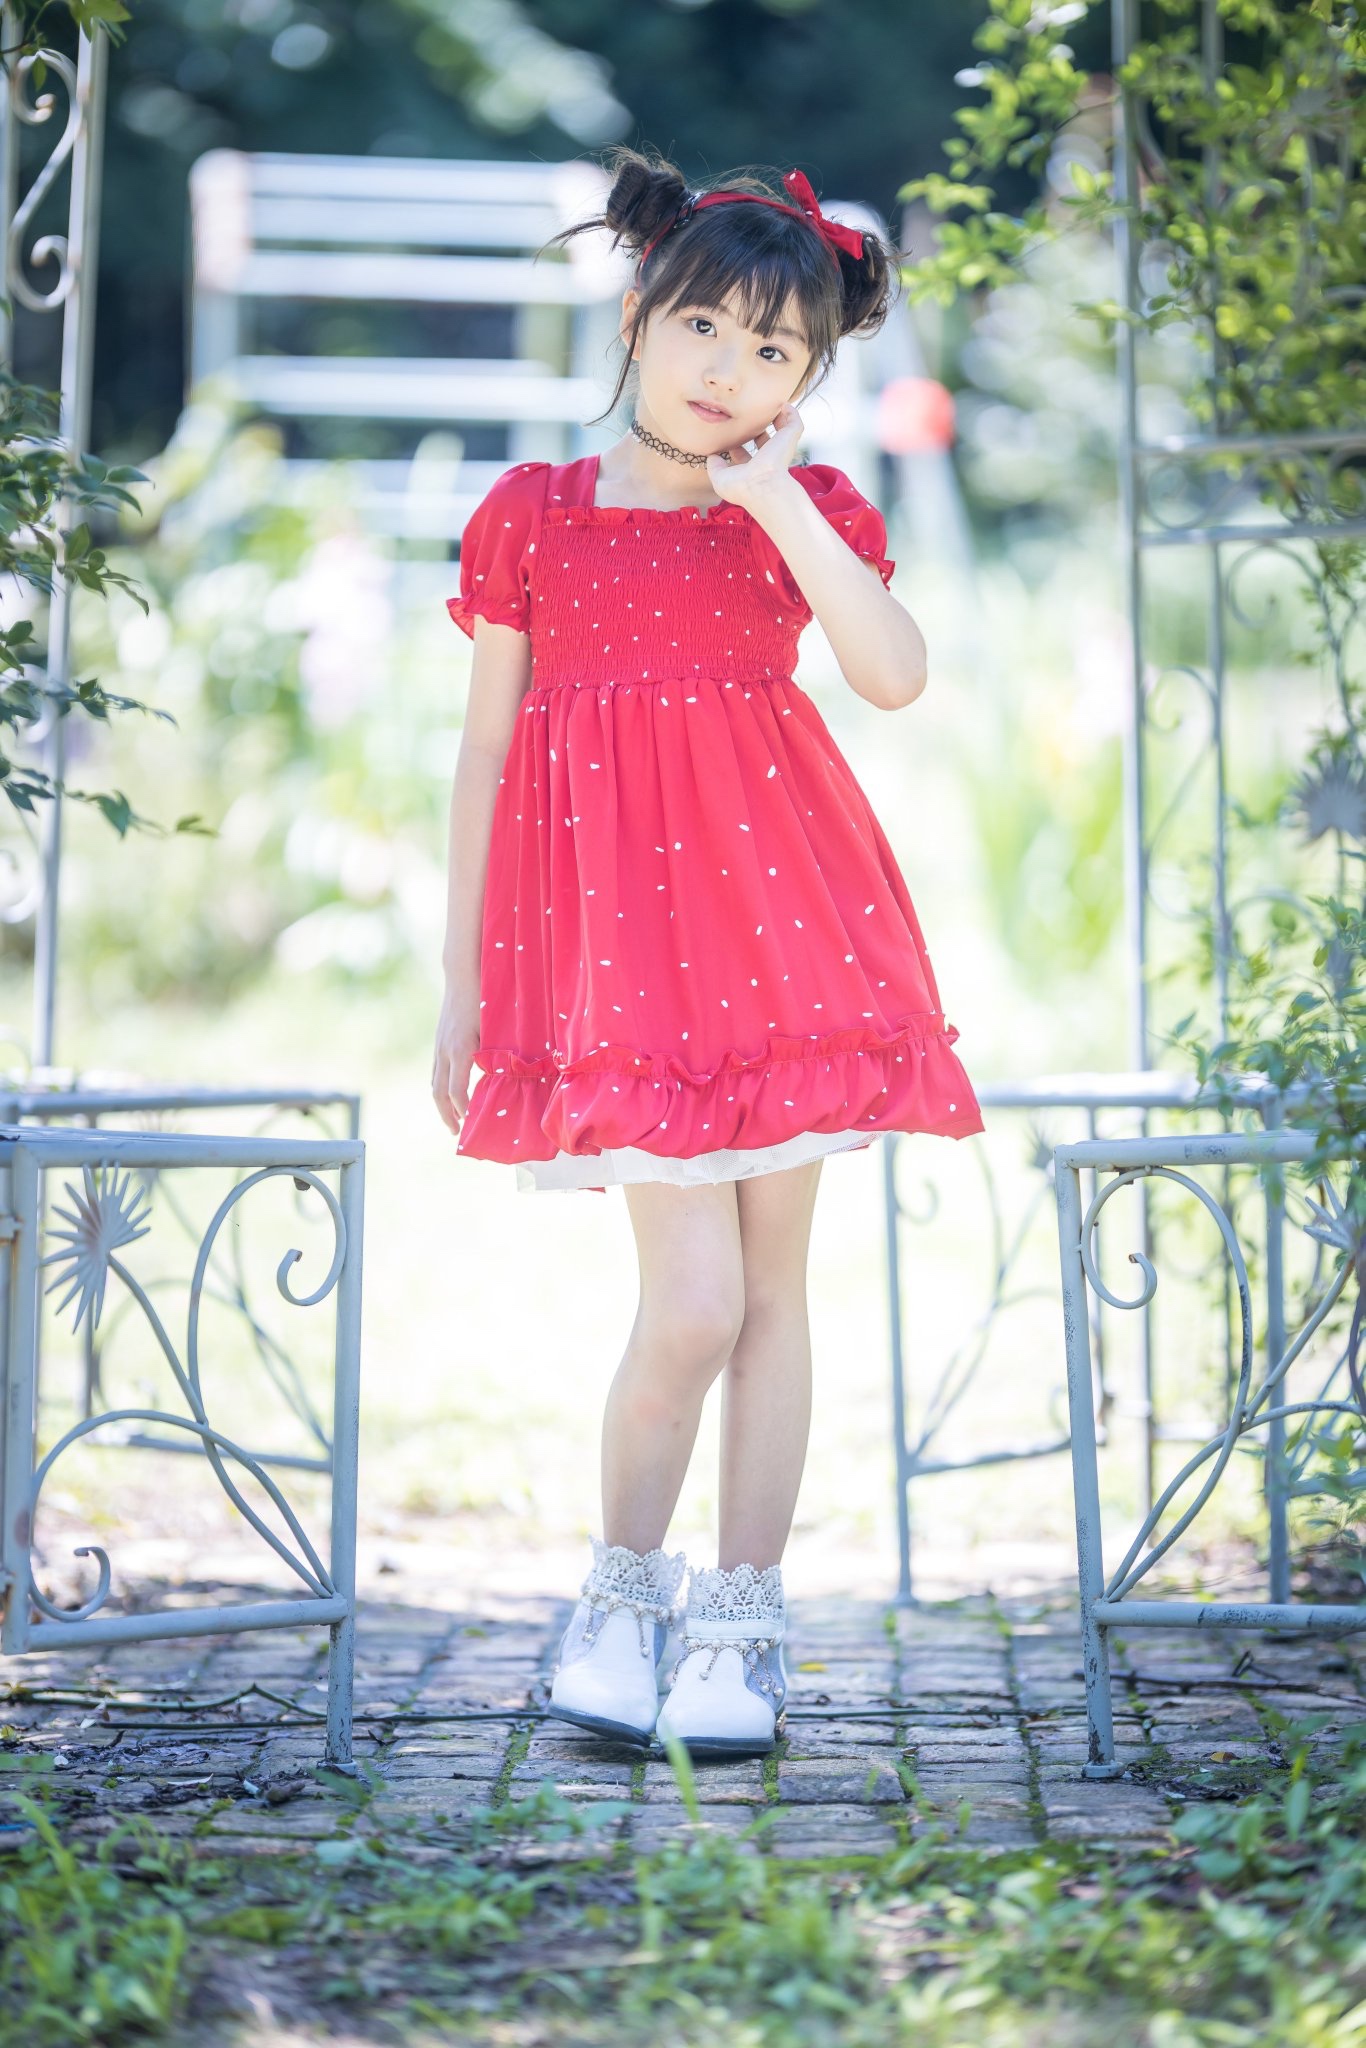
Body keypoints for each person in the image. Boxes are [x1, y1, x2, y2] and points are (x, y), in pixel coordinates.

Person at [432, 146, 985, 1758]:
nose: (725, 368)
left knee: (768, 1295)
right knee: (691, 1304)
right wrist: (463, 981)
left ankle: (739, 1629)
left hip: (784, 932)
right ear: (636, 315)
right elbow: (484, 755)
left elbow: (893, 674)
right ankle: (618, 1598)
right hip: (618, 954)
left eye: (770, 349)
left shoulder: (797, 514)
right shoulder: (534, 516)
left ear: (807, 380)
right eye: (700, 327)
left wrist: (771, 499)